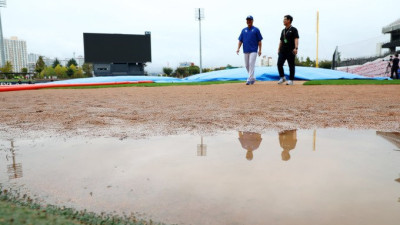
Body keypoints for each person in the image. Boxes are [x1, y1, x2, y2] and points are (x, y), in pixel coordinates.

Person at [237, 15, 263, 85]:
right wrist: (238, 48)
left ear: (252, 21)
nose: (249, 21)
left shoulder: (256, 30)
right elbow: (240, 40)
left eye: (250, 20)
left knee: (251, 64)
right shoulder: (243, 30)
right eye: (247, 20)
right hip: (245, 50)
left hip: (253, 50)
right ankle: (252, 78)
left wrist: (260, 50)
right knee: (246, 65)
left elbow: (259, 41)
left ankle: (249, 79)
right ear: (246, 21)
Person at [277, 15, 299, 85]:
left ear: (289, 20)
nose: (283, 21)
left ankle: (291, 80)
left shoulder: (294, 29)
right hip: (283, 50)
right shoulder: (283, 31)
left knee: (291, 65)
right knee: (279, 63)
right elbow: (281, 41)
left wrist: (296, 48)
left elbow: (296, 39)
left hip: (291, 50)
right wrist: (278, 49)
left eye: (285, 19)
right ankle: (282, 77)